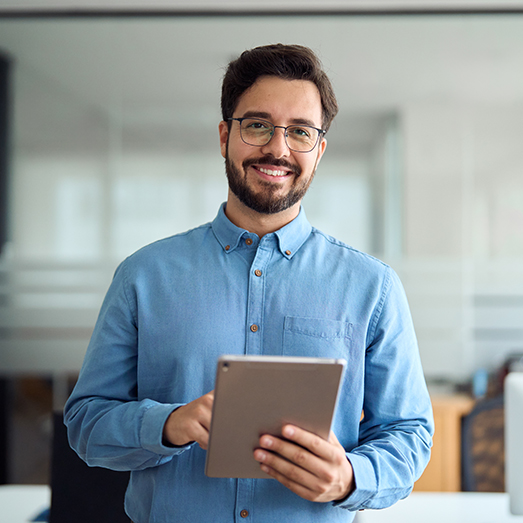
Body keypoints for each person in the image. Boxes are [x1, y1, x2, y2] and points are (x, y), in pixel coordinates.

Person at [64, 43, 433, 523]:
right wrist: (169, 424)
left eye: (300, 132)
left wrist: (350, 477)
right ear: (225, 136)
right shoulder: (143, 276)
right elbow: (86, 423)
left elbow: (409, 434)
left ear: (318, 151)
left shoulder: (373, 287)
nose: (278, 148)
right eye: (258, 125)